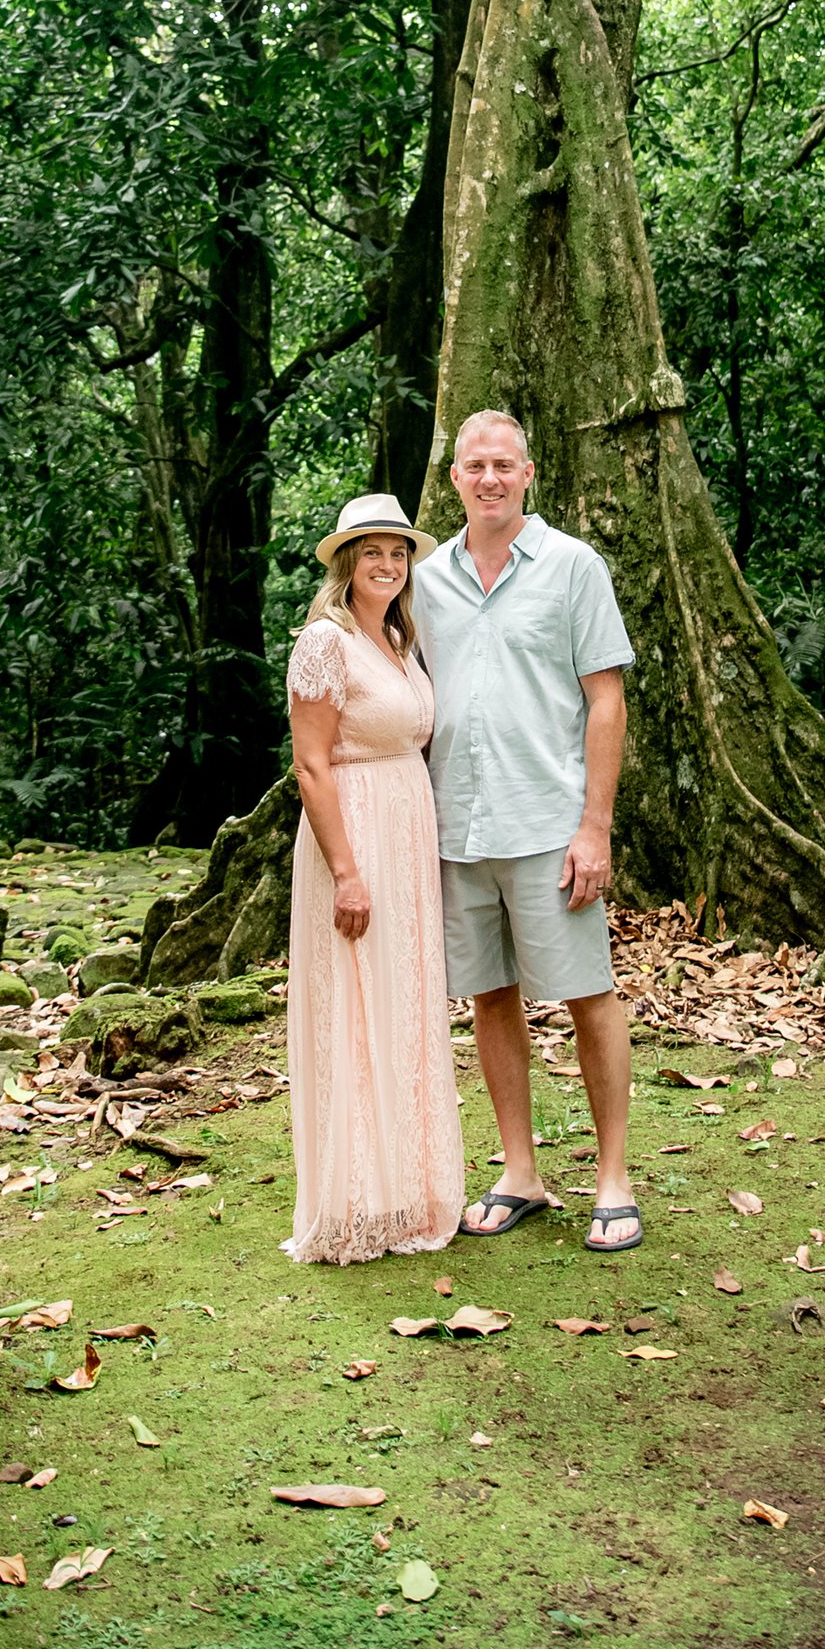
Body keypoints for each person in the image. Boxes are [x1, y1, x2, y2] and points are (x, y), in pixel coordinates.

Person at [412, 409, 641, 1253]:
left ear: (529, 472)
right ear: (455, 478)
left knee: (587, 994)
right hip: (456, 827)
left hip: (550, 823)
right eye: (475, 465)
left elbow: (606, 699)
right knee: (491, 997)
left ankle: (614, 1178)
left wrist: (596, 826)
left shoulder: (574, 568)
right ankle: (522, 1172)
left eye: (504, 464)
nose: (490, 479)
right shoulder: (425, 577)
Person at [282, 491, 466, 1264]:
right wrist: (346, 871)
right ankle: (353, 1200)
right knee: (354, 1005)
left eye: (398, 552)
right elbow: (311, 765)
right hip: (354, 833)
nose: (386, 564)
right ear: (346, 564)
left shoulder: (397, 639)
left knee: (401, 999)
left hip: (405, 828)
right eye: (371, 552)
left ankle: (403, 1191)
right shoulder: (324, 644)